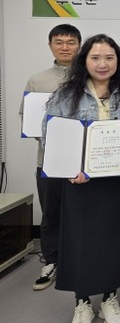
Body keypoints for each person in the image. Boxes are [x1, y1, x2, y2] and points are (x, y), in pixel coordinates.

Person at [41, 34, 120, 323]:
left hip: (117, 181)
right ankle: (83, 301)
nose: (103, 64)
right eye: (96, 58)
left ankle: (110, 297)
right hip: (80, 182)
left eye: (109, 58)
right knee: (81, 240)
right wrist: (69, 168)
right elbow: (51, 137)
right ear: (84, 61)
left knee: (115, 238)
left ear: (118, 61)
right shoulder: (65, 95)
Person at [20, 24, 81, 291]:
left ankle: (80, 260)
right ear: (50, 45)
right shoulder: (37, 80)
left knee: (82, 212)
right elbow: (29, 120)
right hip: (48, 161)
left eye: (70, 42)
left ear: (79, 45)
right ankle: (52, 261)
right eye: (59, 42)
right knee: (51, 214)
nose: (65, 47)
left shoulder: (91, 75)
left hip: (84, 162)